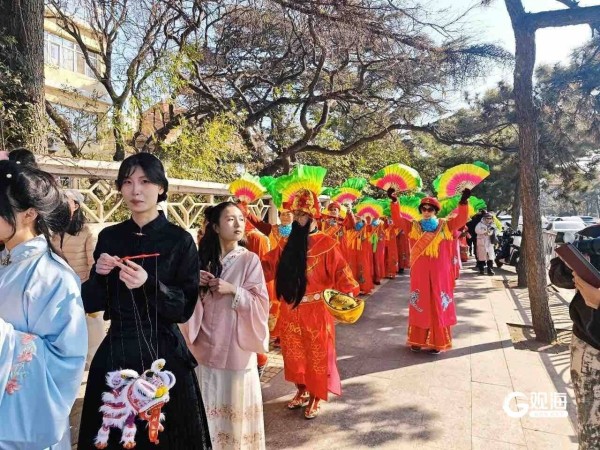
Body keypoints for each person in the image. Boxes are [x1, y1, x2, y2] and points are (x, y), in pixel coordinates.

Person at [77, 153, 212, 449]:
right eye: (127, 182)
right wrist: (99, 275)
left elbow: (184, 308)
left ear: (161, 187)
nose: (136, 190)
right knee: (114, 436)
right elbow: (91, 303)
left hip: (164, 354)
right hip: (117, 351)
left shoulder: (180, 240)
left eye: (145, 181)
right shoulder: (110, 237)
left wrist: (149, 284)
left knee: (166, 437)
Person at [0, 160, 87, 449]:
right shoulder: (6, 263)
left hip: (21, 424)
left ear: (29, 213)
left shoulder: (53, 277)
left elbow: (64, 362)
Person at [262, 187, 359, 419]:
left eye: (302, 215)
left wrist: (348, 293)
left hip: (316, 311)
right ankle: (301, 389)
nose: (296, 219)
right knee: (293, 355)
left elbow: (342, 272)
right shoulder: (286, 244)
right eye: (295, 214)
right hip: (290, 309)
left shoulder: (327, 244)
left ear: (314, 216)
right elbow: (266, 266)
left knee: (317, 355)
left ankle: (316, 396)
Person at [182, 202, 269, 450]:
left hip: (235, 346)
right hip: (205, 345)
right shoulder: (202, 260)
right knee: (206, 403)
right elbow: (187, 302)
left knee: (235, 409)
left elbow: (261, 303)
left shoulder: (250, 260)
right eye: (230, 219)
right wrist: (194, 282)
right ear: (216, 227)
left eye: (241, 218)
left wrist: (233, 290)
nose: (238, 224)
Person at [389, 188, 471, 353]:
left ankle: (437, 341)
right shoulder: (413, 226)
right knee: (420, 303)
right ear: (421, 210)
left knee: (438, 303)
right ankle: (417, 340)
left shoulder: (445, 226)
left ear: (435, 211)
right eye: (424, 209)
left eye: (430, 209)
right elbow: (397, 220)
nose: (426, 212)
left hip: (440, 272)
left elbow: (461, 219)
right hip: (420, 272)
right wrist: (394, 201)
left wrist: (463, 202)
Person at [549, 232, 600, 449]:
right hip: (591, 347)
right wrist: (569, 267)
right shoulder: (592, 236)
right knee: (592, 433)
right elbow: (555, 276)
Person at [51, 189, 104, 367]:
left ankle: (94, 363)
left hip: (82, 287)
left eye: (66, 200)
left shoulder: (86, 232)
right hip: (60, 289)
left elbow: (93, 263)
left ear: (76, 205)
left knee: (92, 328)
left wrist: (91, 289)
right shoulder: (54, 232)